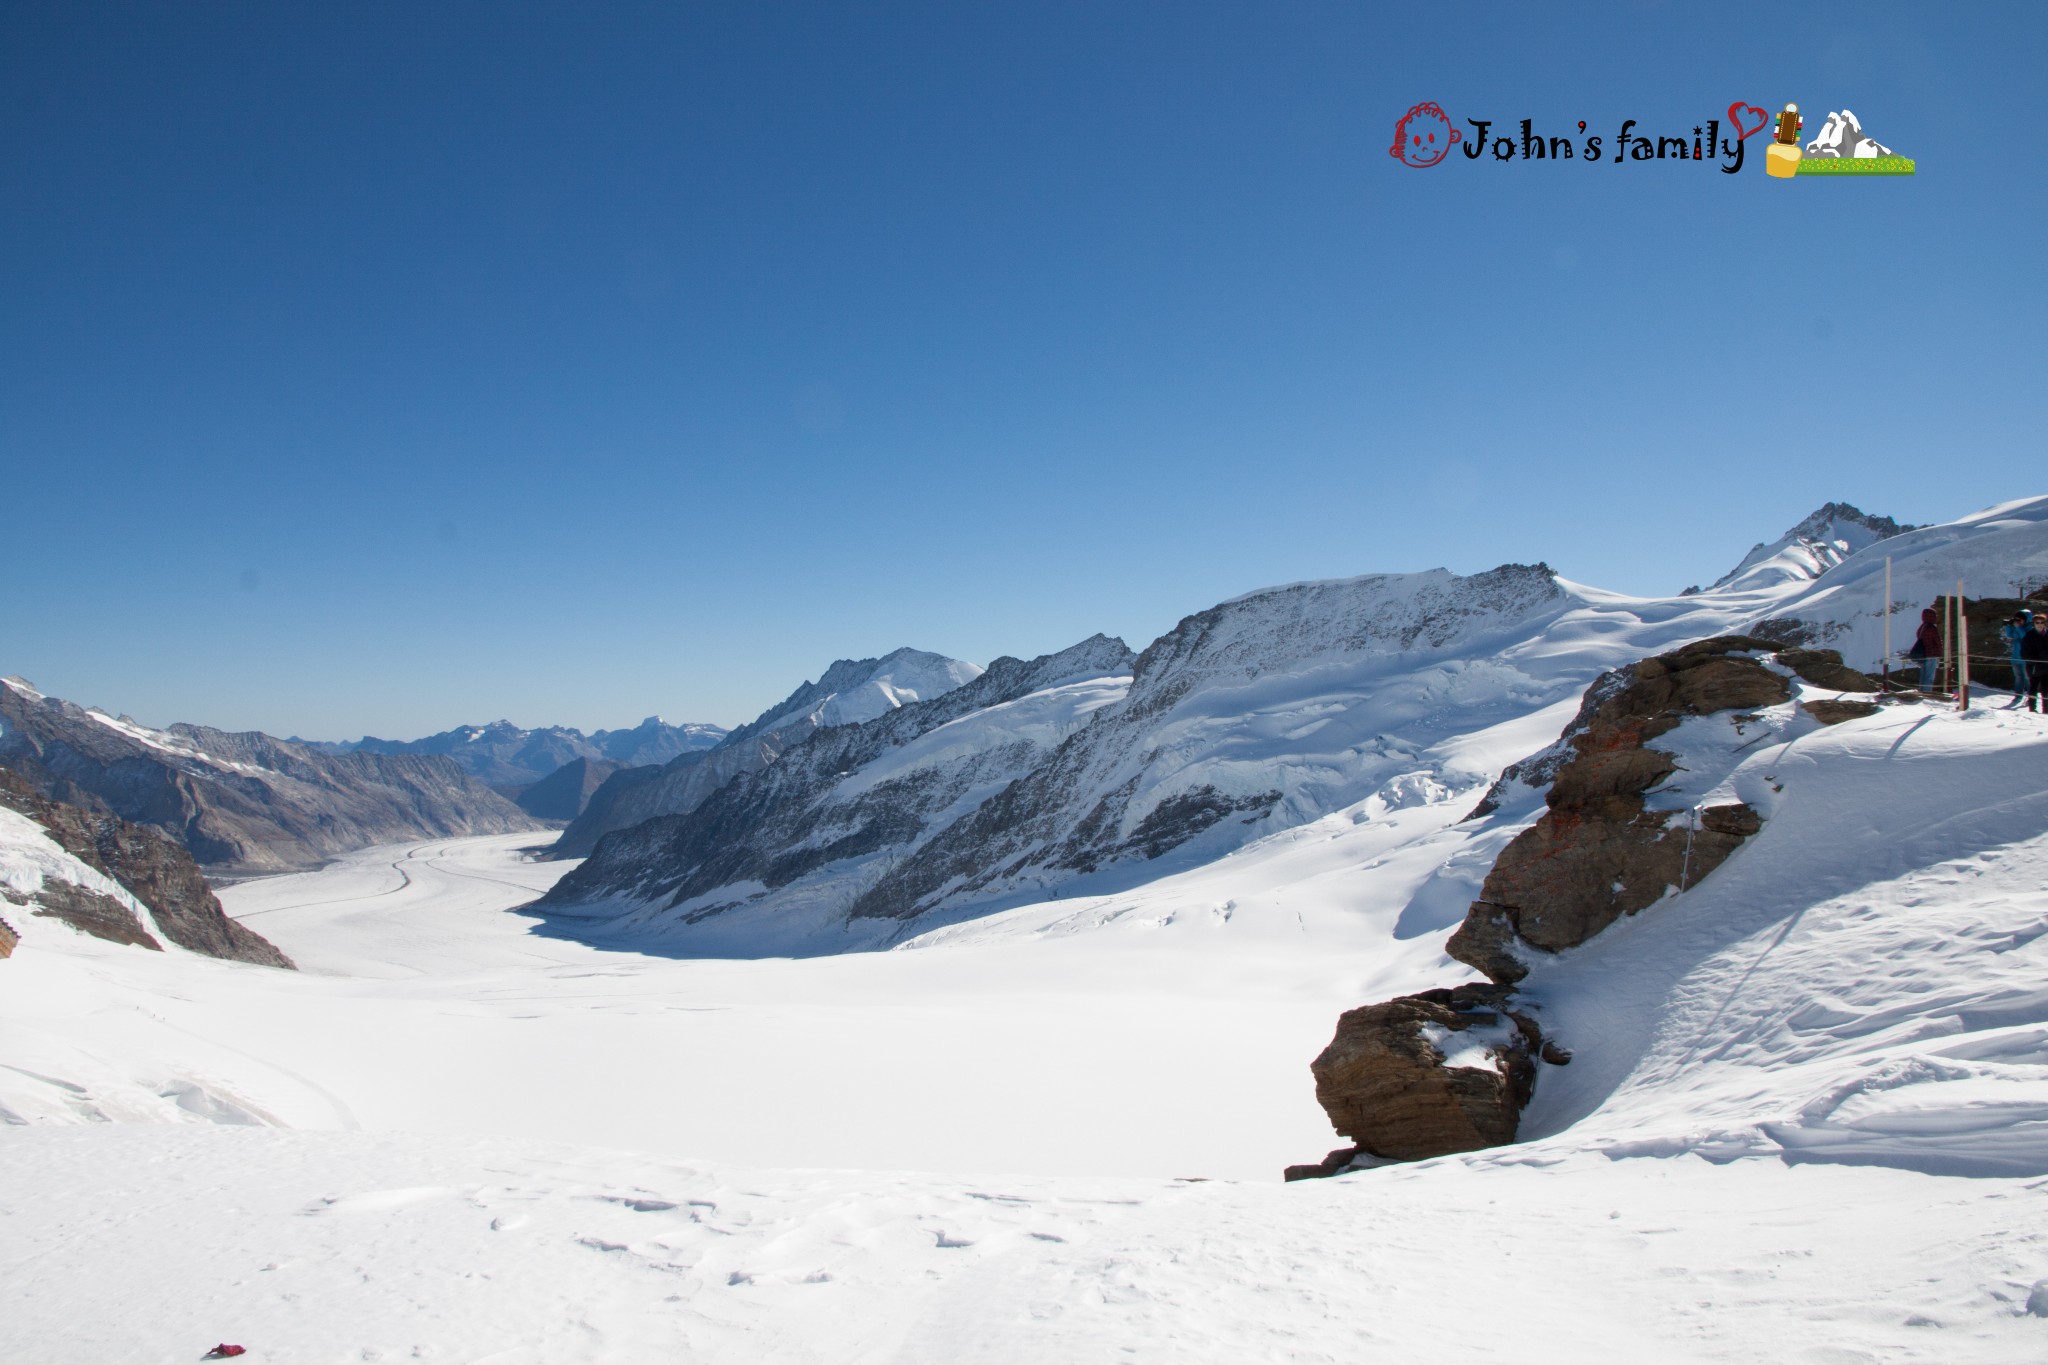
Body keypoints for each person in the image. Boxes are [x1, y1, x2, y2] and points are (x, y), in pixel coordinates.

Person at [2002, 610, 2034, 705]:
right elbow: (2010, 635)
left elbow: (2025, 638)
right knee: (2018, 677)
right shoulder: (2016, 627)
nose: (2018, 621)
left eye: (2020, 620)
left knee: (2028, 678)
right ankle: (2018, 696)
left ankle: (2031, 697)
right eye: (2016, 619)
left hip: (2026, 658)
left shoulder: (2030, 628)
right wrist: (2008, 625)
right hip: (2016, 657)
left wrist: (2019, 627)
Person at [1909, 607, 1943, 691]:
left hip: (1923, 655)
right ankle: (1927, 692)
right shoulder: (1932, 628)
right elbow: (1937, 641)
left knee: (1923, 674)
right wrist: (1941, 652)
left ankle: (1922, 690)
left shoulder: (1921, 628)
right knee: (1929, 676)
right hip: (1932, 655)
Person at [2024, 615, 2048, 713]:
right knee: (2033, 688)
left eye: (2041, 622)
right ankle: (2032, 709)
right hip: (2034, 666)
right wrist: (2033, 660)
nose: (2039, 625)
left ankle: (2046, 710)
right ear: (2033, 624)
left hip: (2046, 666)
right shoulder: (2029, 635)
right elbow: (2025, 652)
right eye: (2037, 623)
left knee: (2046, 690)